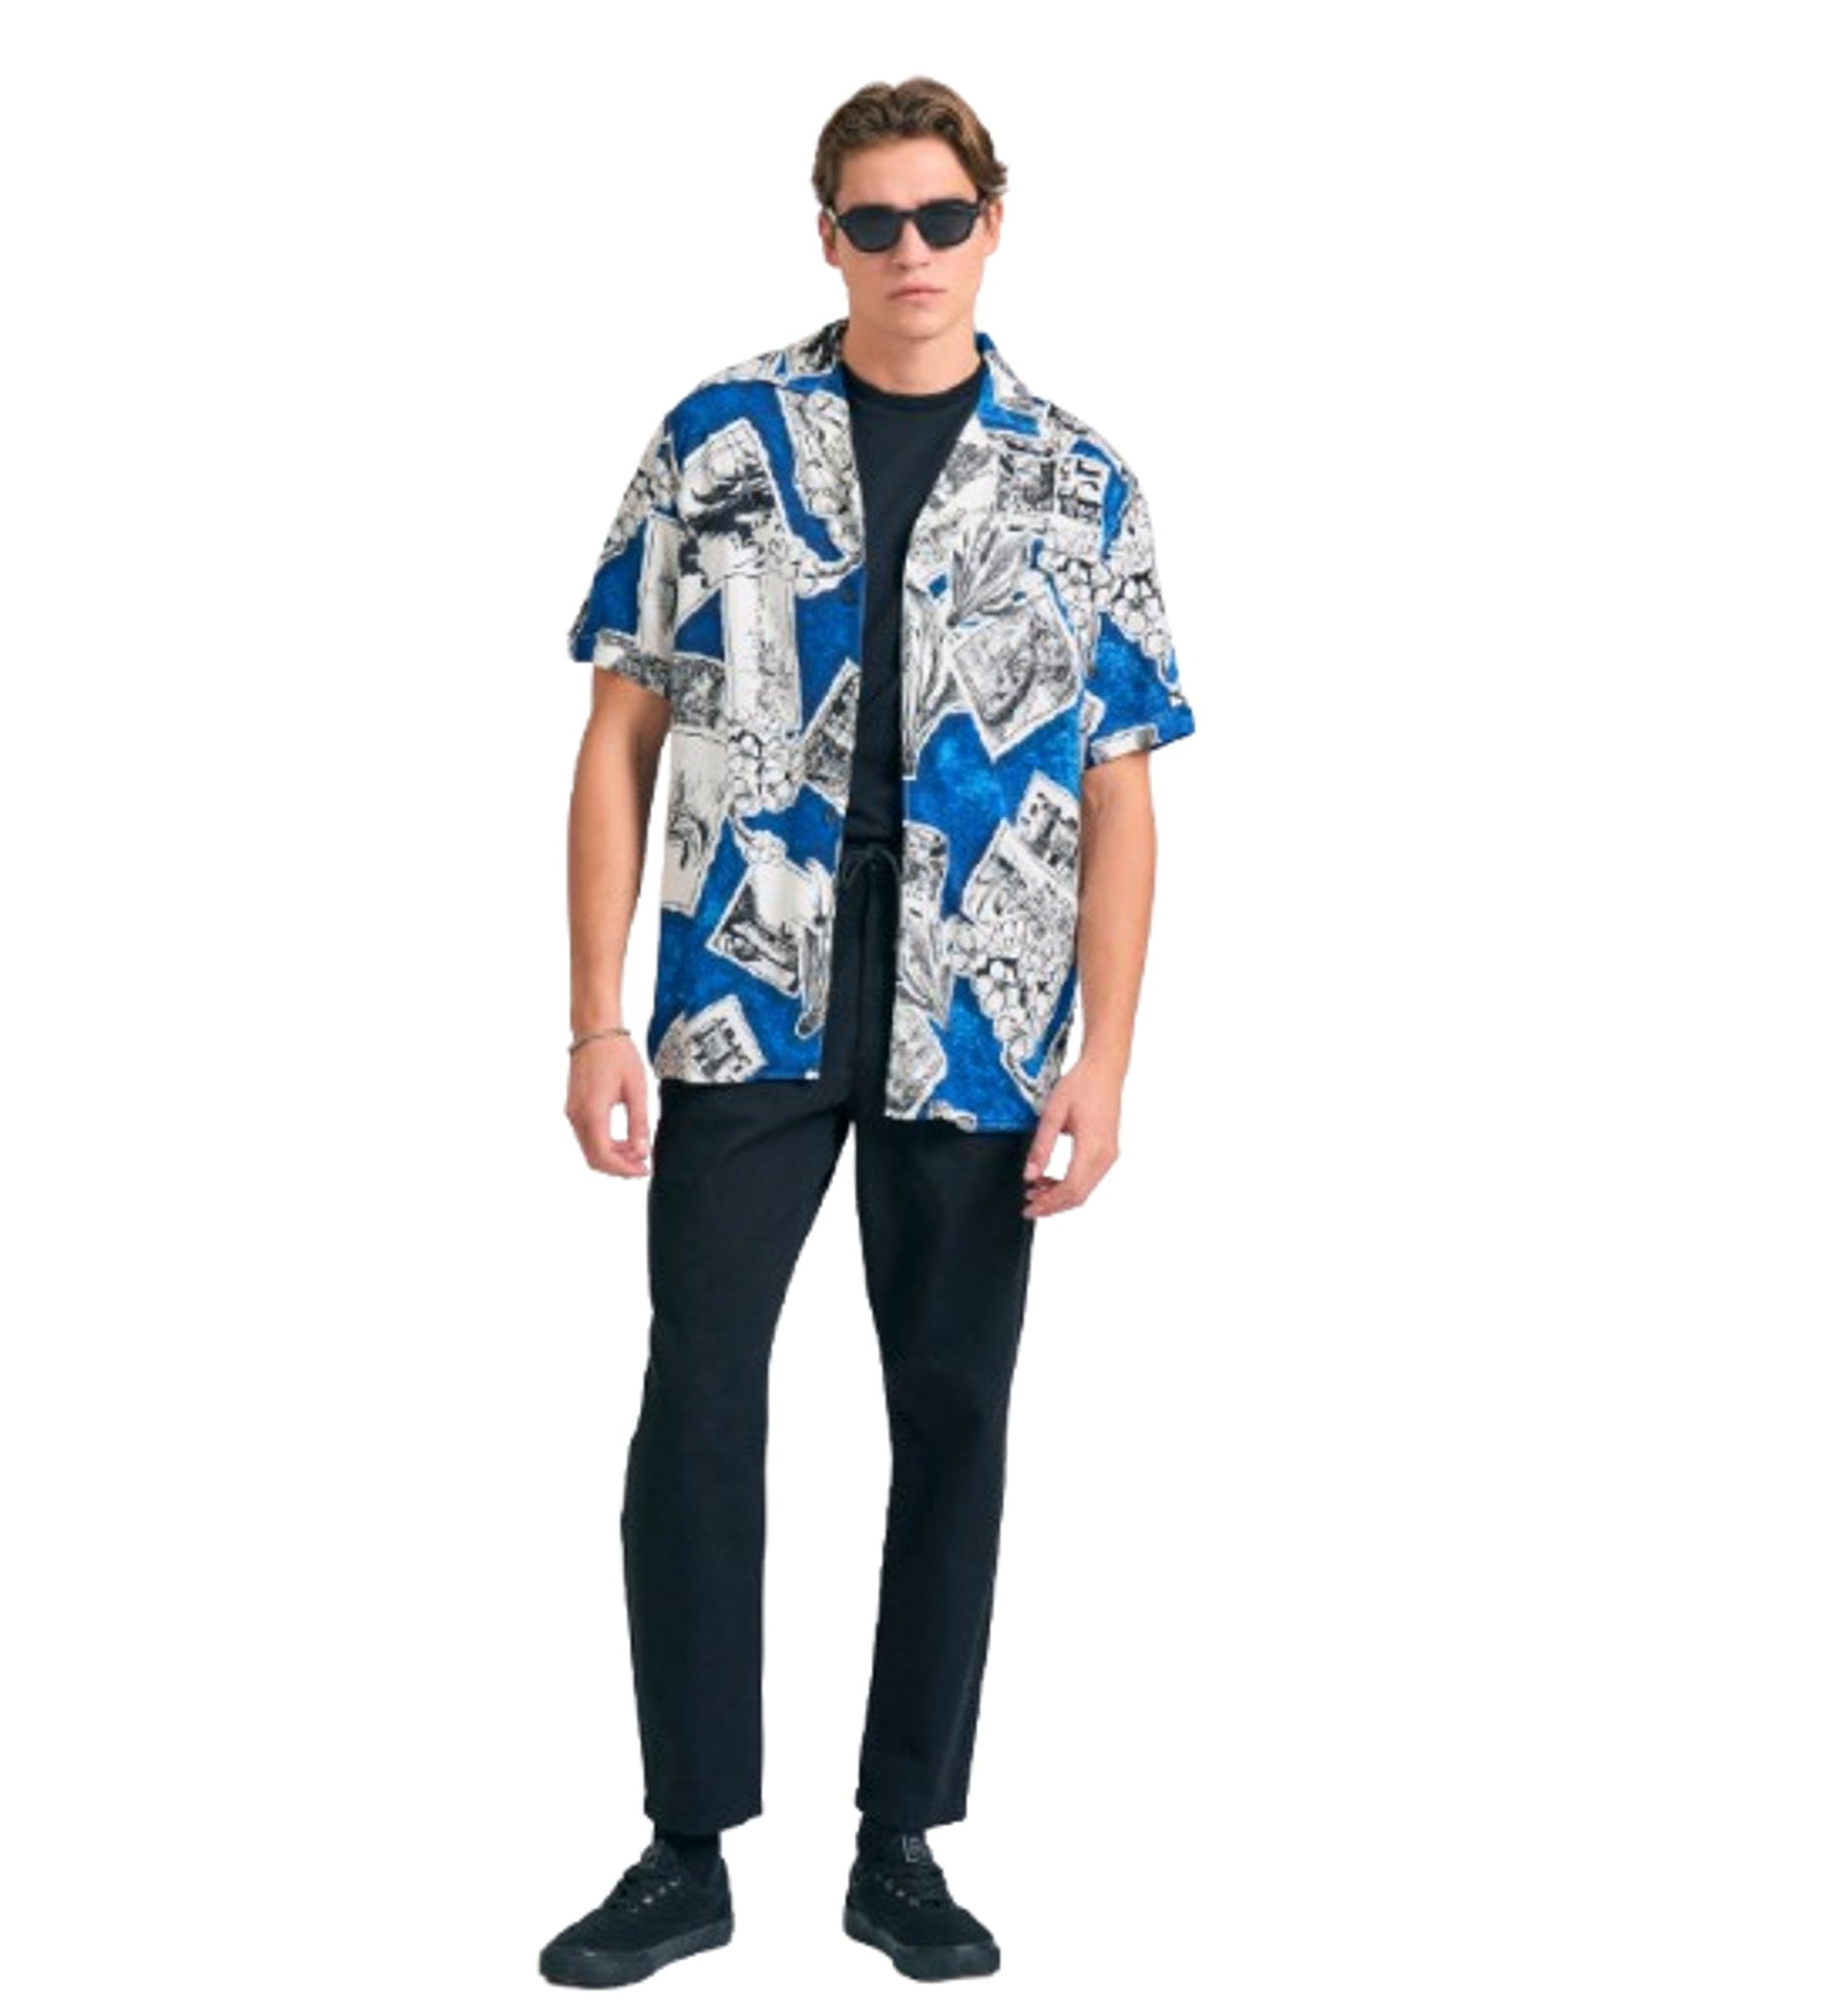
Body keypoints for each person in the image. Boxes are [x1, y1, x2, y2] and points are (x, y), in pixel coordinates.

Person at [540, 76, 1197, 1988]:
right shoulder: (717, 439)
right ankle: (684, 1846)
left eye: (941, 217)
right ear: (825, 234)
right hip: (742, 1003)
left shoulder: (1082, 483)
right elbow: (618, 738)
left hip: (976, 1022)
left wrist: (1106, 1058)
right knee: (698, 1403)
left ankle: (899, 1844)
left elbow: (1123, 793)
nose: (911, 253)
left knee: (954, 1414)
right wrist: (593, 1017)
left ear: (994, 224)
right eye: (874, 221)